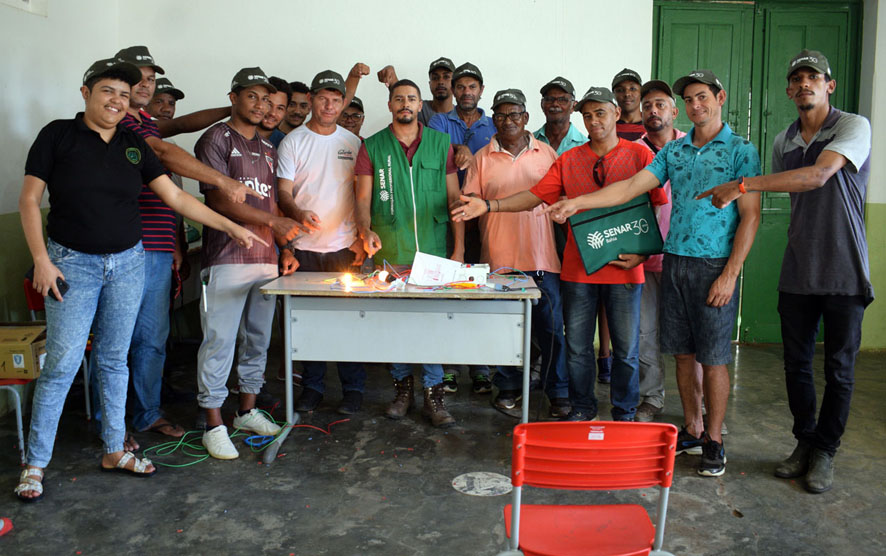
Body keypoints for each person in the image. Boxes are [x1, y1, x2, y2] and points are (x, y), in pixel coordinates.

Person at [14, 57, 263, 501]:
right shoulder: (57, 135)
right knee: (62, 365)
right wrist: (41, 260)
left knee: (114, 359)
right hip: (72, 264)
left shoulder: (134, 144)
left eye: (124, 95)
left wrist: (230, 226)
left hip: (128, 262)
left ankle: (114, 448)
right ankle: (35, 464)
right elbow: (30, 200)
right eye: (108, 90)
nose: (116, 101)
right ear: (86, 92)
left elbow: (174, 197)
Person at [545, 70, 762, 477]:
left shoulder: (740, 150)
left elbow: (751, 217)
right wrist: (578, 204)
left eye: (703, 97)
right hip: (674, 260)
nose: (697, 106)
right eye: (691, 100)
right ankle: (693, 429)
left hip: (715, 265)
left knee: (713, 359)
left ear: (720, 96)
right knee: (682, 355)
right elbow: (628, 189)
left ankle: (714, 440)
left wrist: (731, 273)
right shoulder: (674, 153)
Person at [697, 50, 872, 493]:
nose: (803, 85)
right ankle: (804, 442)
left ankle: (825, 452)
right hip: (798, 270)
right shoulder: (784, 140)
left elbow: (817, 177)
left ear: (829, 85)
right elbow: (790, 191)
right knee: (795, 364)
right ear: (789, 90)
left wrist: (741, 185)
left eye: (813, 77)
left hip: (845, 270)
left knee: (840, 368)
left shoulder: (853, 127)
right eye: (795, 80)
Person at [455, 87, 666, 423]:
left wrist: (642, 254)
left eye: (600, 113)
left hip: (627, 271)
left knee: (627, 352)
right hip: (578, 269)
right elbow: (534, 196)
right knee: (579, 348)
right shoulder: (568, 159)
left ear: (616, 113)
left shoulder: (640, 156)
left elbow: (655, 209)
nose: (594, 121)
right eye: (588, 115)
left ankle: (624, 414)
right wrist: (491, 205)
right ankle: (582, 409)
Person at [194, 67, 302, 460]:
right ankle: (213, 423)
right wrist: (272, 222)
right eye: (252, 96)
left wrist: (284, 248)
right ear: (233, 97)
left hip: (265, 259)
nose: (260, 106)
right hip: (226, 257)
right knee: (219, 341)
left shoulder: (270, 148)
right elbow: (219, 200)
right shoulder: (216, 138)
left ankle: (246, 411)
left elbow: (272, 202)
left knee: (257, 339)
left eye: (266, 99)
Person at [354, 79, 464, 427]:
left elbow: (454, 199)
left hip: (433, 251)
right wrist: (364, 229)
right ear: (389, 105)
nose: (405, 104)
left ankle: (435, 395)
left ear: (421, 106)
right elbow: (361, 199)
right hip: (390, 250)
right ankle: (402, 389)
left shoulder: (440, 142)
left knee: (432, 325)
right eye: (398, 99)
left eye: (411, 99)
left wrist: (459, 247)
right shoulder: (372, 146)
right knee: (397, 324)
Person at [462, 89, 570, 418]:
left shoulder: (548, 154)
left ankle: (558, 392)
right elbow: (468, 207)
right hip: (499, 259)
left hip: (542, 259)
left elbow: (563, 201)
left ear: (526, 118)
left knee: (551, 331)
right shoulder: (482, 158)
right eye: (500, 115)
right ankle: (507, 387)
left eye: (514, 115)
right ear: (492, 119)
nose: (507, 121)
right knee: (505, 329)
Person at [276, 70, 367, 415]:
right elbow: (282, 192)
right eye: (323, 98)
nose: (329, 105)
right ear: (312, 99)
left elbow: (363, 195)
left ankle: (353, 389)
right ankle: (312, 389)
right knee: (309, 323)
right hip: (305, 250)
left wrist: (360, 237)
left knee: (348, 322)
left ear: (343, 102)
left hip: (345, 248)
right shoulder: (293, 142)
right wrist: (297, 212)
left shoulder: (352, 143)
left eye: (336, 99)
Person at [428, 62, 496, 393]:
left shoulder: (495, 123)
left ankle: (481, 366)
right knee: (450, 290)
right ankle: (450, 366)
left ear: (481, 91)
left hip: (485, 218)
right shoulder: (440, 120)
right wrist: (458, 147)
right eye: (461, 87)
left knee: (479, 290)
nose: (466, 92)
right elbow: (435, 148)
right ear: (453, 91)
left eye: (473, 87)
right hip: (448, 214)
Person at [631, 80, 687, 422]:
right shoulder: (631, 152)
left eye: (661, 105)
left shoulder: (693, 148)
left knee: (688, 337)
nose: (654, 110)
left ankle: (700, 406)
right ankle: (651, 398)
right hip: (643, 259)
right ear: (640, 112)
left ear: (673, 111)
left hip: (685, 259)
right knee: (645, 333)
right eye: (648, 105)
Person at [376, 57, 456, 126]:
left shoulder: (462, 115)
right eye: (435, 78)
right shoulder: (417, 107)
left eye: (446, 77)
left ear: (454, 83)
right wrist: (389, 71)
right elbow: (398, 90)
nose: (440, 82)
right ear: (429, 83)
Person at [534, 77, 587, 155]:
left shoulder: (585, 146)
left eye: (562, 100)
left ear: (573, 106)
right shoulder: (529, 142)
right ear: (542, 105)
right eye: (549, 99)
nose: (555, 104)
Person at [612, 68, 645, 141]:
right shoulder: (606, 126)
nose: (627, 94)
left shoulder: (652, 124)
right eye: (620, 90)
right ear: (613, 95)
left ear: (641, 93)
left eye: (632, 89)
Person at [259, 77, 292, 148]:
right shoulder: (235, 135)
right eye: (269, 105)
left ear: (285, 111)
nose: (273, 113)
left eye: (280, 108)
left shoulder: (286, 143)